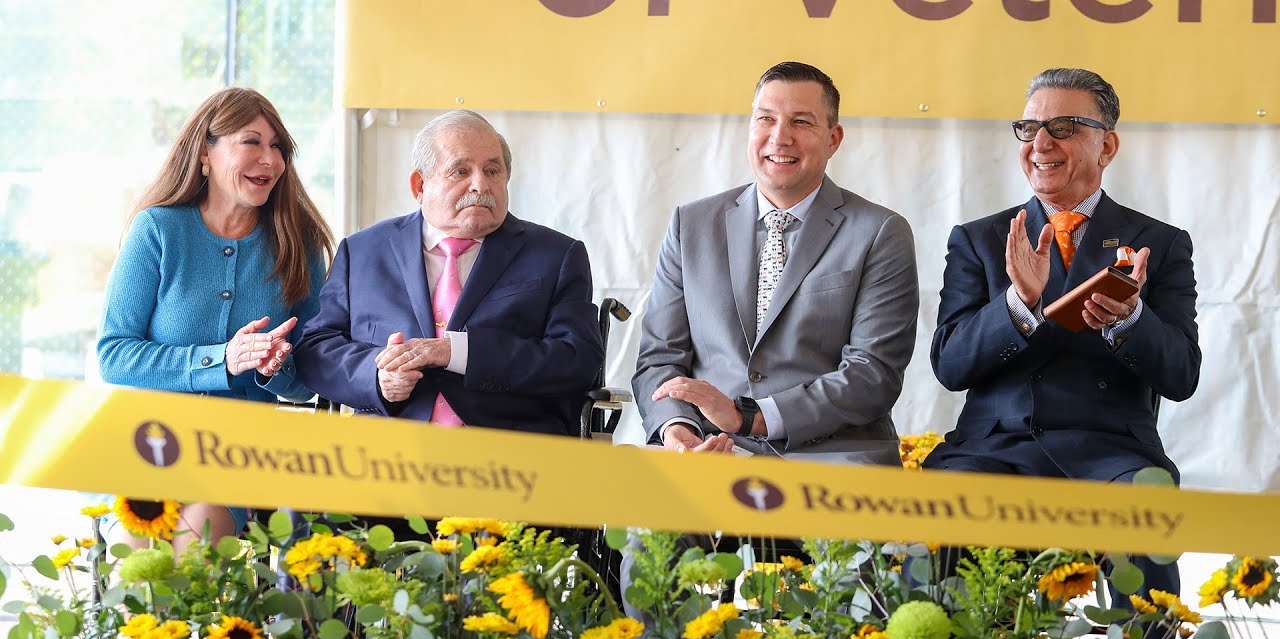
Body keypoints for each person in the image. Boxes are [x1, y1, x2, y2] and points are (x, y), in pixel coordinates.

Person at [924, 68, 1200, 639]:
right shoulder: (979, 239)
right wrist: (1017, 307)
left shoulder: (1160, 244)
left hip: (1111, 452)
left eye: (1065, 128)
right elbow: (949, 365)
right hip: (992, 448)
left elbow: (1181, 375)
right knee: (934, 515)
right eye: (1030, 127)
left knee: (1148, 506)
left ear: (1108, 145)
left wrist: (1129, 321)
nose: (1041, 144)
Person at [633, 61, 919, 466]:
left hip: (833, 454)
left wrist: (752, 418)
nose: (779, 137)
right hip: (710, 449)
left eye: (801, 122)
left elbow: (872, 375)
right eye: (765, 118)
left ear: (834, 138)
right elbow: (660, 358)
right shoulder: (690, 224)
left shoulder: (880, 231)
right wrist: (678, 430)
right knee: (646, 524)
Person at [97, 87, 335, 551]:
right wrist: (222, 361)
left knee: (200, 533)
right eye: (252, 142)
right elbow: (114, 355)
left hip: (235, 453)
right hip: (149, 441)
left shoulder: (298, 241)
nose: (270, 159)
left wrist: (275, 367)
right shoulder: (158, 229)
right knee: (136, 545)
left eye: (279, 147)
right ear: (206, 151)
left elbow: (309, 377)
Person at [294, 109, 602, 436]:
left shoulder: (555, 256)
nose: (480, 184)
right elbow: (316, 350)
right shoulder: (363, 252)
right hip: (388, 457)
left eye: (493, 170)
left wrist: (457, 352)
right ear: (420, 185)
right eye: (460, 171)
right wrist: (377, 377)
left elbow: (577, 359)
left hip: (509, 457)